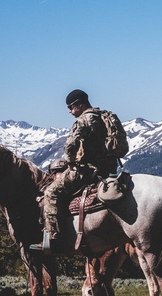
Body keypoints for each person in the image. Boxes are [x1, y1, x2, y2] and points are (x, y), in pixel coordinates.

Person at [42, 89, 125, 250]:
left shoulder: (83, 120)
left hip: (87, 171)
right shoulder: (104, 117)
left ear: (80, 104)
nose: (69, 111)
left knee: (51, 192)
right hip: (108, 170)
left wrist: (70, 160)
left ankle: (54, 238)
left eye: (71, 107)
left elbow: (71, 145)